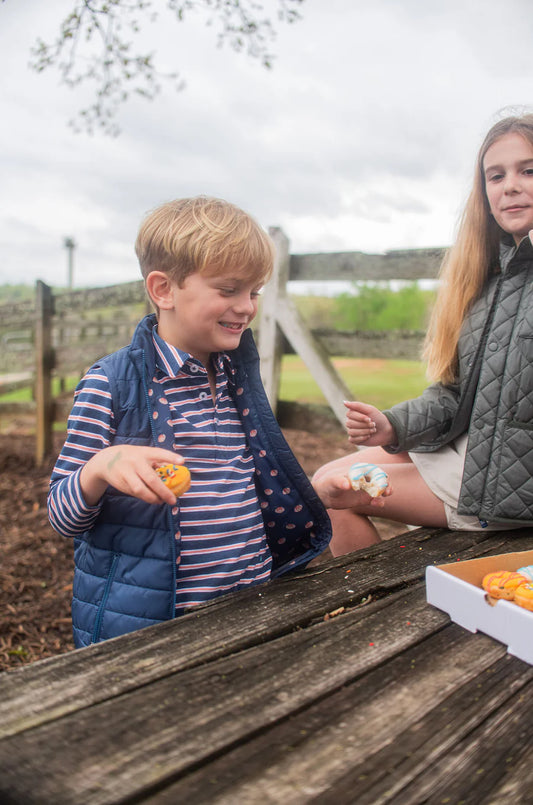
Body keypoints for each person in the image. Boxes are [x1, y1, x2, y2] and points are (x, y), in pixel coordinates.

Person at [48, 196, 331, 648]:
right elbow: (62, 516)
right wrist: (102, 466)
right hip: (160, 625)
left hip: (254, 601)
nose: (247, 307)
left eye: (254, 292)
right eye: (229, 290)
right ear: (164, 290)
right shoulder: (111, 385)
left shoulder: (237, 375)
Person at [313, 112, 533, 556]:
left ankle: (376, 606)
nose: (509, 185)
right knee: (322, 481)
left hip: (508, 484)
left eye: (528, 169)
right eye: (496, 175)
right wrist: (391, 424)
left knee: (333, 494)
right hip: (471, 451)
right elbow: (454, 394)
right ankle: (377, 601)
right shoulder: (490, 279)